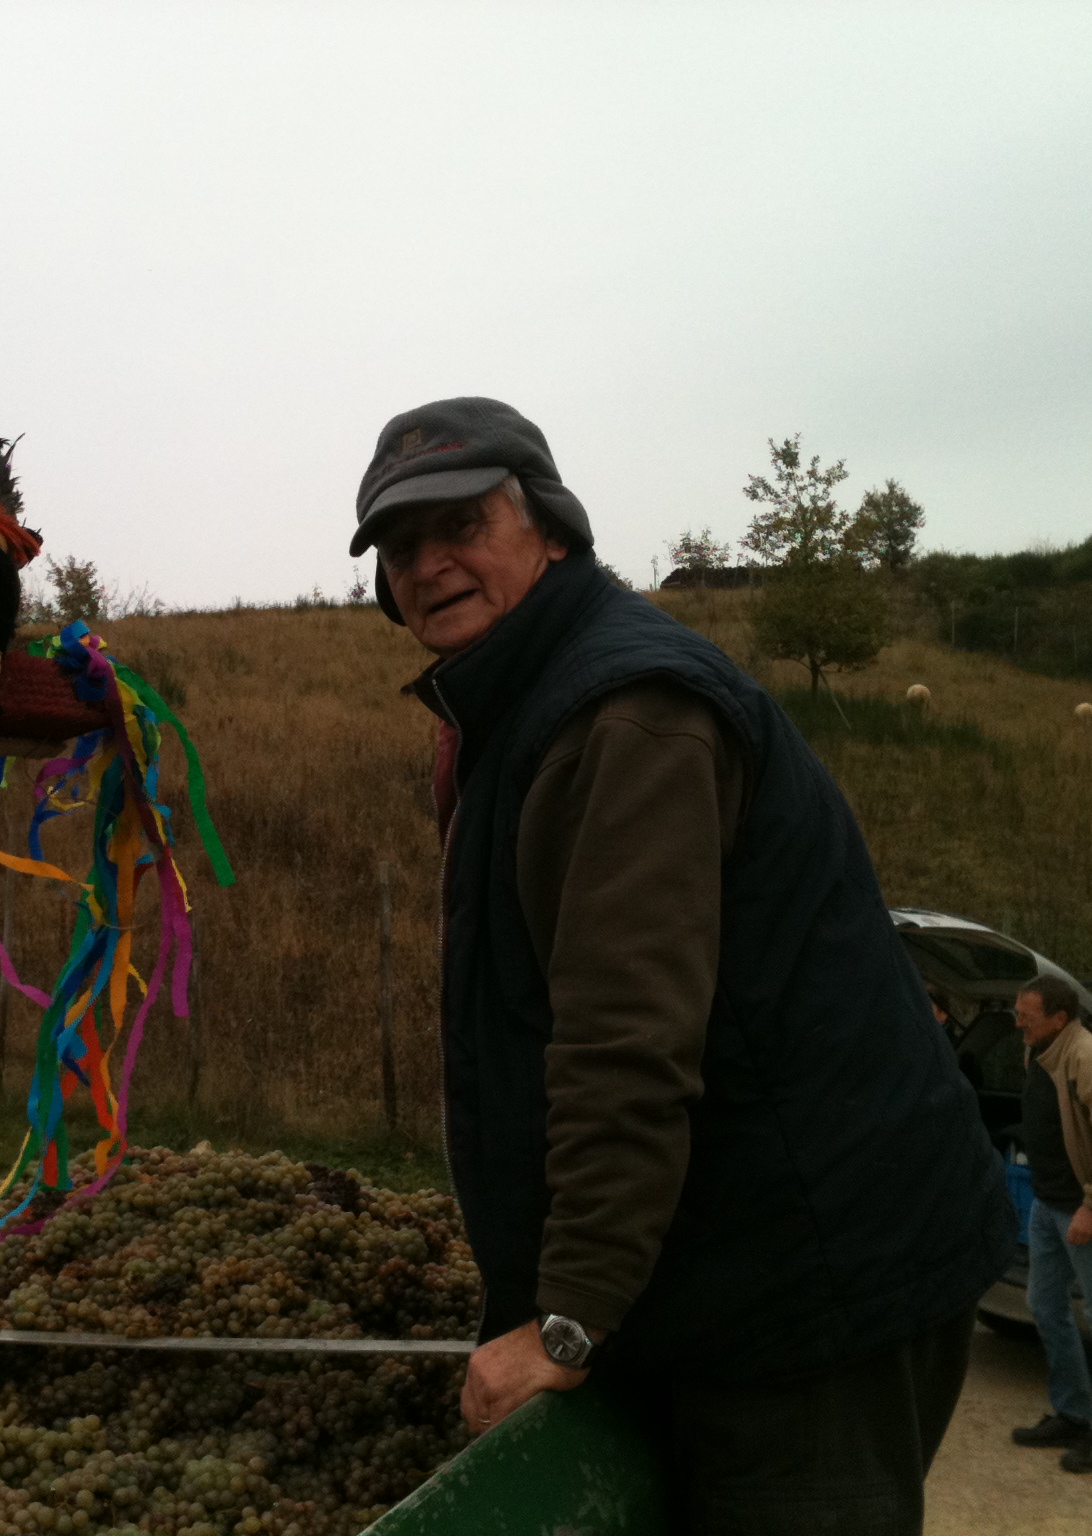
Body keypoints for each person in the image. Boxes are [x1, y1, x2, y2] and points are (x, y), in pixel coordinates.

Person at [349, 396, 1015, 1531]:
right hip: (734, 1280)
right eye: (399, 545)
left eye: (461, 522)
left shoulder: (625, 717)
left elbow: (623, 1041)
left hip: (808, 1297)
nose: (428, 563)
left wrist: (568, 1317)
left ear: (549, 528)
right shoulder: (520, 707)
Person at [1007, 973, 1092, 1473]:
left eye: (1027, 1014)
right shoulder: (1041, 1050)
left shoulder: (1088, 1060)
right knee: (1044, 1306)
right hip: (1048, 1205)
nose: (1018, 1022)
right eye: (1017, 1012)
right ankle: (1072, 1412)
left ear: (1059, 1018)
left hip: (1084, 1210)